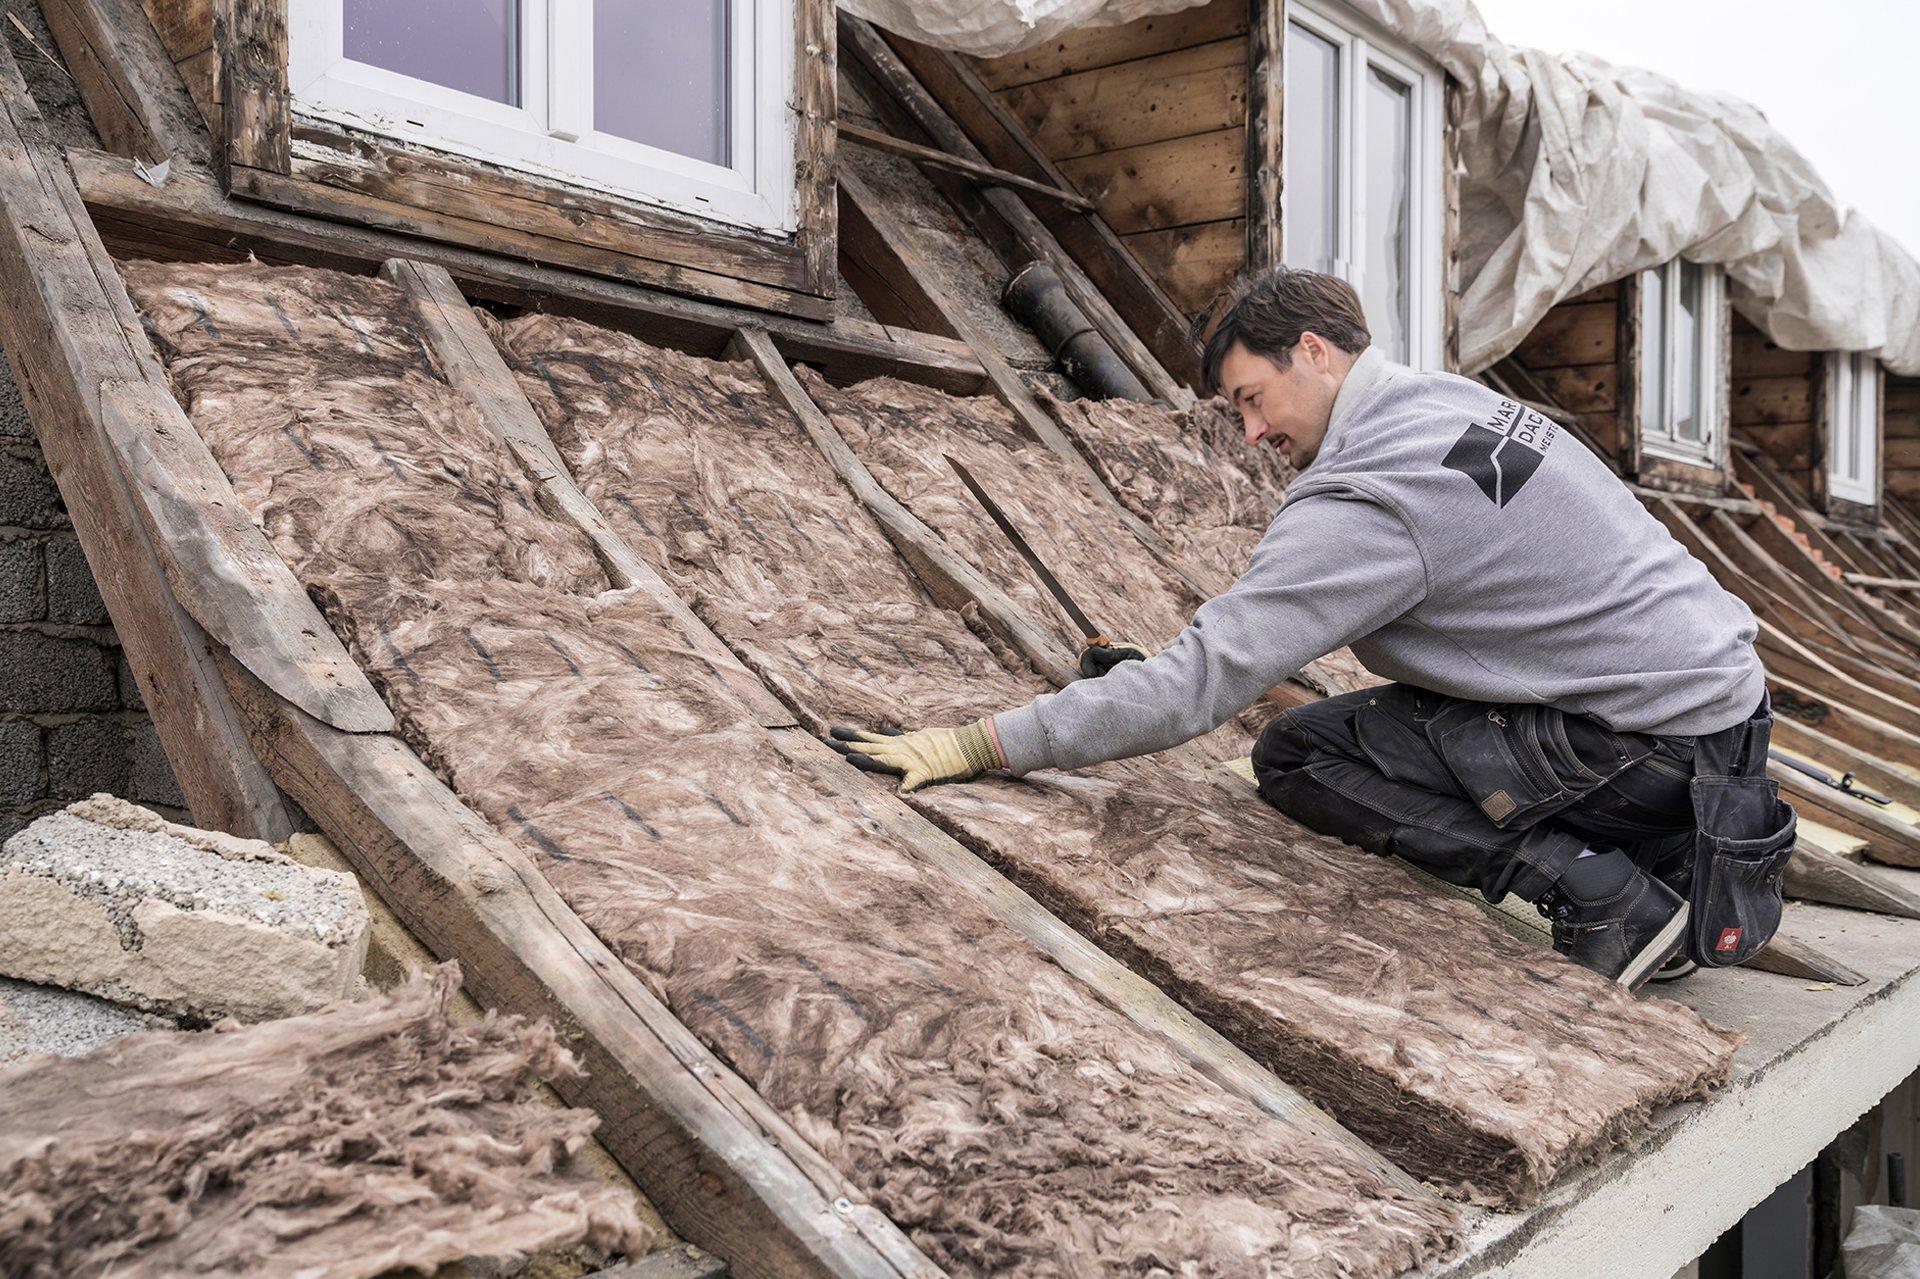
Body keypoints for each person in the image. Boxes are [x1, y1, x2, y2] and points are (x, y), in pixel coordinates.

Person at [827, 267, 1771, 991]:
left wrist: (980, 742)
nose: (1247, 433)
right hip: (1723, 727)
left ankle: (1598, 892)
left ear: (1314, 353)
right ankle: (1646, 866)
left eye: (1250, 399)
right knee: (1372, 719)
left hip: (1644, 755)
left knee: (1301, 756)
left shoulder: (1373, 495)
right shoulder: (1452, 403)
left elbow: (1203, 681)